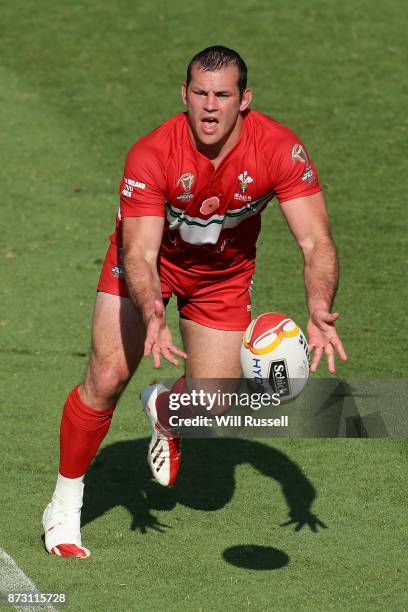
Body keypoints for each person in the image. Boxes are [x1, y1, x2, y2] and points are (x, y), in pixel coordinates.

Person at [42, 46, 347, 558]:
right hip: (148, 269)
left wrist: (318, 308)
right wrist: (153, 311)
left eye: (222, 95)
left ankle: (166, 409)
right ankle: (65, 505)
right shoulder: (152, 153)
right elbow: (138, 251)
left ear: (244, 100)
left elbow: (316, 241)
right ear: (184, 95)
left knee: (214, 402)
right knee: (109, 374)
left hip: (222, 278)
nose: (210, 107)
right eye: (200, 94)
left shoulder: (280, 150)